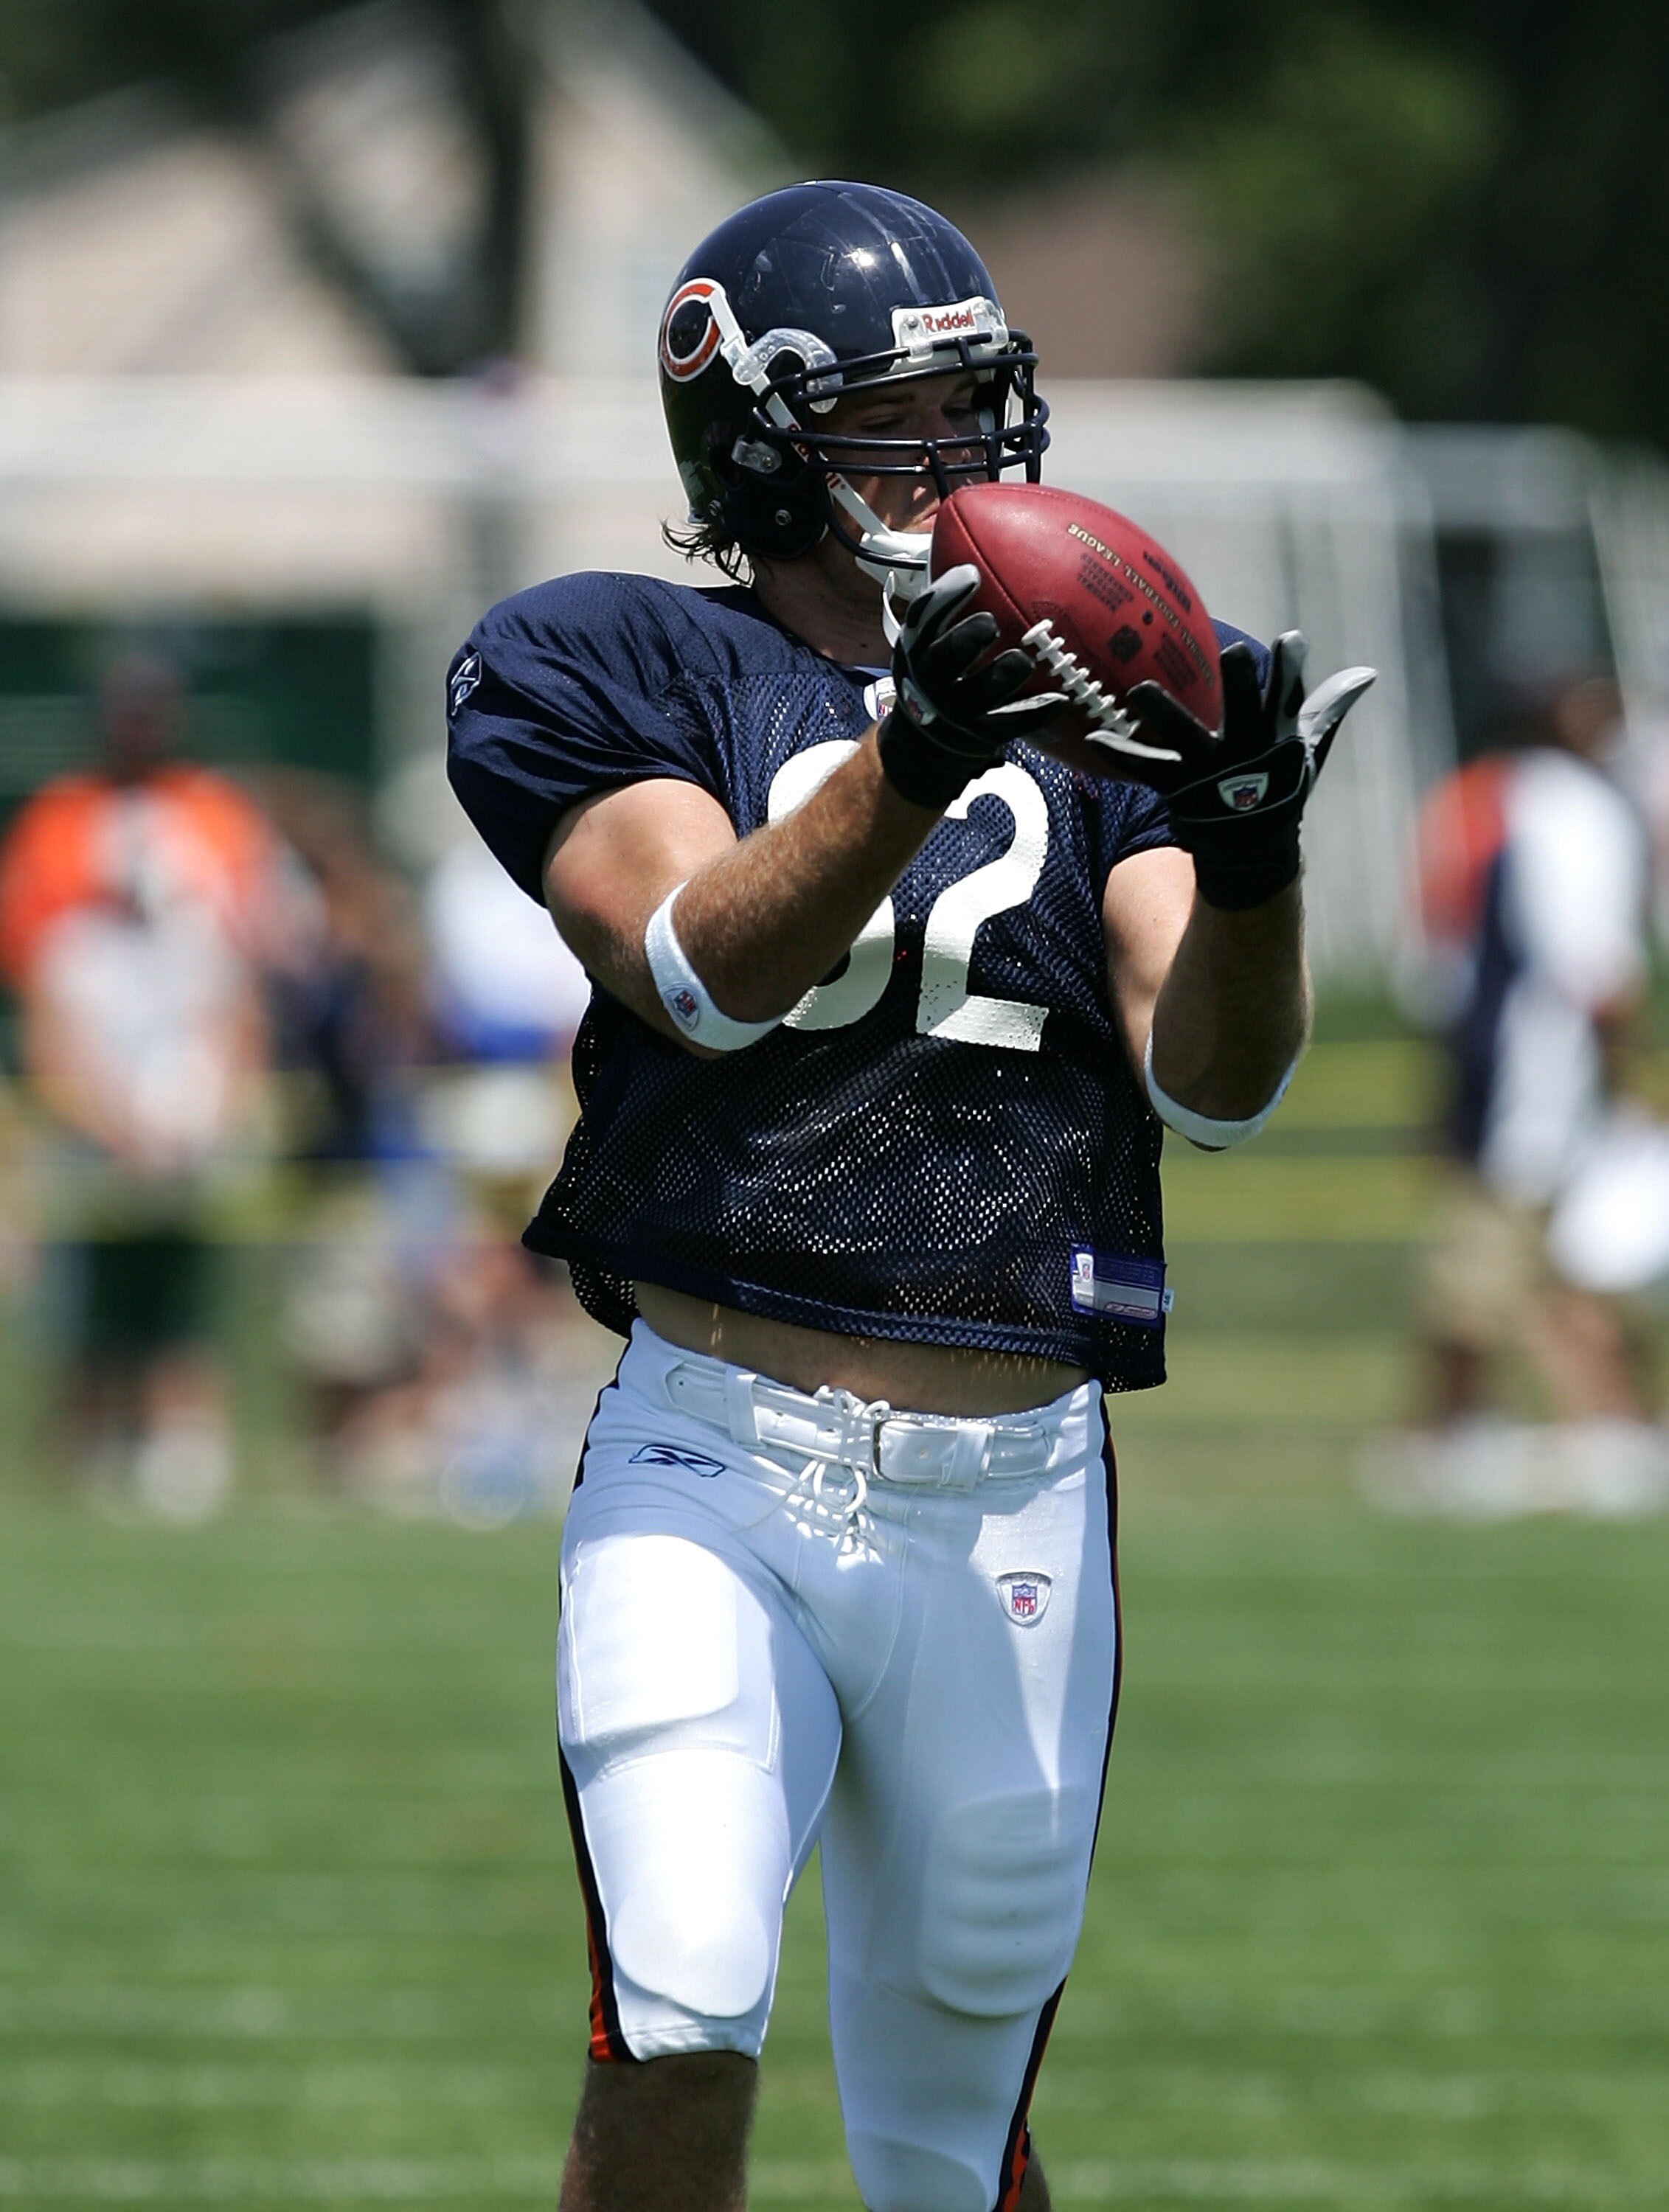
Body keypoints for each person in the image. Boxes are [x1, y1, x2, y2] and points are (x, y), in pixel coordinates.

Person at [446, 181, 1373, 2212]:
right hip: (715, 1457)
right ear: (759, 437)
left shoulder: (1115, 676)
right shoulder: (599, 658)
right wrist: (922, 747)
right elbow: (697, 964)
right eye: (903, 416)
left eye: (979, 405)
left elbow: (1209, 1088)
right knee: (682, 2003)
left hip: (1012, 1485)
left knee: (950, 2149)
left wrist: (1248, 854)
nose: (967, 459)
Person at [0, 653, 287, 1512]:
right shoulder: (59, 820)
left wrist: (221, 1088)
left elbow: (243, 968)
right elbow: (44, 980)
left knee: (189, 1282)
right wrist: (94, 1105)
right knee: (90, 1287)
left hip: (189, 1090)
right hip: (96, 1090)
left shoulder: (215, 815)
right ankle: (91, 1442)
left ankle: (182, 1442)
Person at [1395, 676, 1662, 1506]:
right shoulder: (1573, 809)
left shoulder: (1483, 797)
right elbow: (1597, 966)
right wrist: (1626, 1080)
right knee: (1504, 1265)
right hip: (1545, 1073)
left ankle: (1562, 1427)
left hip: (1498, 1065)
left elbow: (1434, 961)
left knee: (1526, 1262)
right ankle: (1481, 1434)